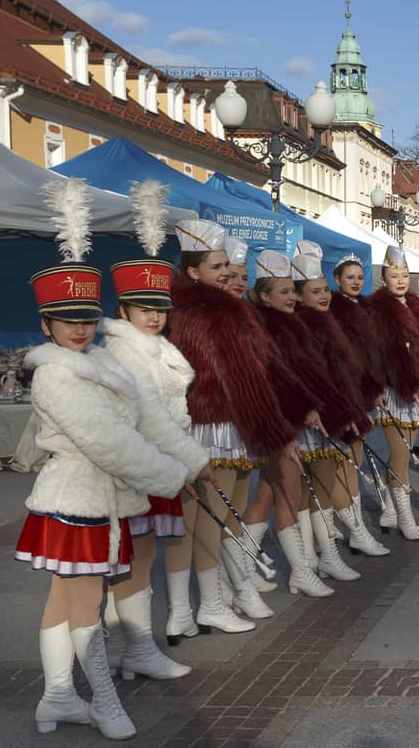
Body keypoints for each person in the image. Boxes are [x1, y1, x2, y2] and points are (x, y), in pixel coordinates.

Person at [17, 179, 207, 739]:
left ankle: (56, 698)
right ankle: (101, 700)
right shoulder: (55, 375)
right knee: (83, 604)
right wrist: (171, 475)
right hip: (77, 498)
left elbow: (148, 417)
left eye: (84, 318)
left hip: (101, 500)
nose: (78, 328)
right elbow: (108, 442)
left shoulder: (102, 363)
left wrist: (191, 462)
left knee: (66, 599)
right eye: (66, 320)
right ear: (45, 325)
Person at [167, 221, 311, 632]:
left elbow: (260, 374)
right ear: (193, 272)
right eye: (218, 266)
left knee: (208, 517)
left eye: (227, 264)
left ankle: (209, 599)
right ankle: (206, 603)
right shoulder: (211, 314)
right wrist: (276, 433)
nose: (228, 271)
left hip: (222, 424)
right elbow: (242, 379)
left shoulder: (219, 310)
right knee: (203, 517)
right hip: (210, 426)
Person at [99, 179, 204, 682]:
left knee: (137, 560)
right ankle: (136, 647)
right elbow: (146, 420)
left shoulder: (159, 350)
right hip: (137, 470)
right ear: (123, 312)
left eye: (160, 308)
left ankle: (129, 647)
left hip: (157, 465)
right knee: (134, 562)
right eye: (145, 309)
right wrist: (177, 464)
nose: (155, 317)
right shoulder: (124, 353)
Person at [250, 249, 355, 595]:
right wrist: (303, 409)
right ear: (265, 295)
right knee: (288, 496)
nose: (292, 297)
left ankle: (303, 562)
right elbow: (277, 380)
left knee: (271, 494)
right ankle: (298, 569)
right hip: (284, 422)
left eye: (292, 291)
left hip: (302, 418)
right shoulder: (269, 328)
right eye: (285, 292)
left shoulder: (293, 323)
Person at [291, 247, 380, 567]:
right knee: (306, 488)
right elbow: (313, 378)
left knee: (320, 485)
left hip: (334, 412)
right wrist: (340, 413)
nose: (324, 296)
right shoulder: (305, 326)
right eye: (316, 292)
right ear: (300, 296)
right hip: (315, 418)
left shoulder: (327, 321)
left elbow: (344, 373)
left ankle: (322, 552)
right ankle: (311, 554)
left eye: (323, 290)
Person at [365, 245, 419, 540]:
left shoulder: (417, 305)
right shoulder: (376, 309)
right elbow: (372, 353)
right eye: (395, 276)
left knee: (403, 454)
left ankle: (390, 509)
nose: (401, 280)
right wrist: (378, 385)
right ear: (384, 278)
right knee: (400, 454)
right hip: (393, 391)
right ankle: (405, 515)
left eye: (405, 275)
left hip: (418, 389)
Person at [327, 255, 393, 552]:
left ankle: (352, 526)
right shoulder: (334, 311)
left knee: (356, 458)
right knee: (346, 460)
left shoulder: (365, 308)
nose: (356, 281)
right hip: (345, 393)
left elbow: (373, 355)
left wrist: (376, 387)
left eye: (359, 276)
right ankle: (352, 527)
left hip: (364, 392)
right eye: (349, 277)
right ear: (337, 279)